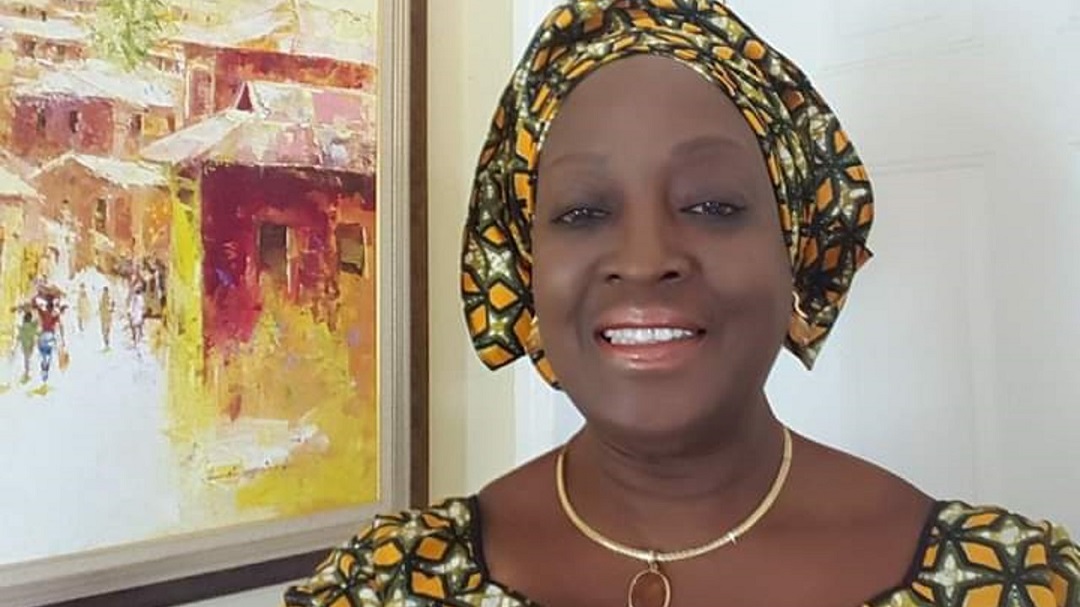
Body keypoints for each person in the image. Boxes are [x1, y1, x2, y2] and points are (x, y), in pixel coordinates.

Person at [283, 2, 1079, 606]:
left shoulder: (1010, 581)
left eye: (712, 205)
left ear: (798, 245)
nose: (644, 259)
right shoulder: (390, 582)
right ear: (524, 264)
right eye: (583, 212)